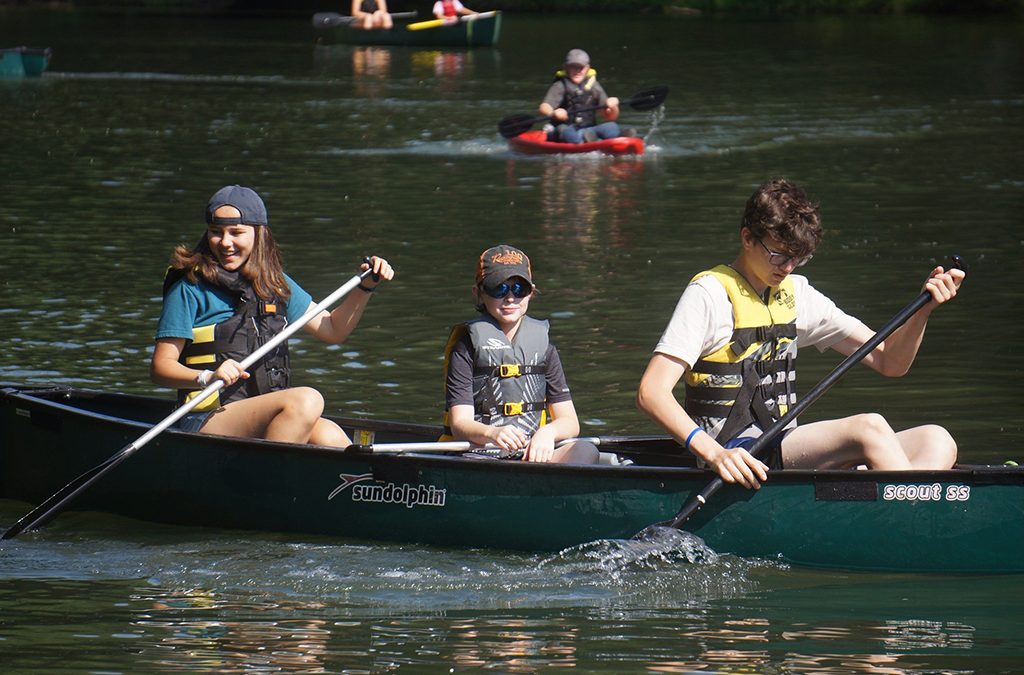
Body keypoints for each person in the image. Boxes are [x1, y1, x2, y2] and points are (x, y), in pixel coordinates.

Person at [636, 178, 965, 489]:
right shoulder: (709, 294)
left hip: (781, 448)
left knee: (936, 438)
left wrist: (923, 311)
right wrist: (714, 453)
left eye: (798, 258)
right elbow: (651, 392)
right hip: (734, 455)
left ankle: (884, 506)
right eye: (779, 255)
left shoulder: (798, 295)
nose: (787, 268)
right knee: (870, 427)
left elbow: (889, 362)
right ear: (747, 237)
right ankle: (915, 523)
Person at [151, 184, 394, 447]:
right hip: (205, 418)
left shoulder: (274, 283)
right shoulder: (189, 285)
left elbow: (333, 329)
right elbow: (160, 368)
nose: (225, 242)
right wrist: (207, 376)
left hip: (258, 415)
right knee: (306, 400)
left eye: (236, 233)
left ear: (258, 234)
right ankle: (266, 482)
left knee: (331, 437)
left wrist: (365, 287)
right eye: (216, 232)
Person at [442, 245, 599, 464]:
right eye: (498, 289)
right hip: (479, 452)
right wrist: (493, 433)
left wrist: (547, 433)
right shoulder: (465, 347)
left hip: (531, 453)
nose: (509, 298)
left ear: (531, 292)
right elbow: (460, 425)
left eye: (519, 288)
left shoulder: (545, 348)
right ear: (478, 293)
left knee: (585, 451)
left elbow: (570, 422)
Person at [539, 49, 621, 144]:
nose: (577, 71)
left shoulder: (594, 86)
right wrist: (553, 113)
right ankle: (587, 142)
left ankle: (614, 138)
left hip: (588, 130)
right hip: (564, 129)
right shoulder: (560, 85)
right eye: (573, 67)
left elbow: (609, 117)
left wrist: (614, 107)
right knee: (566, 132)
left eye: (580, 68)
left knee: (612, 126)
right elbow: (543, 107)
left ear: (587, 68)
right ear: (566, 68)